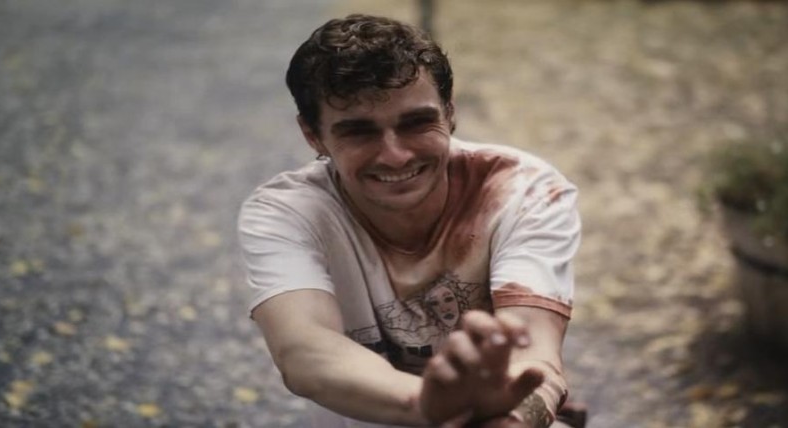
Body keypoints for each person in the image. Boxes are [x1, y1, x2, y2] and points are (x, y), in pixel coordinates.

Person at [237, 14, 582, 428]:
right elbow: (305, 352)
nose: (395, 156)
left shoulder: (520, 192)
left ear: (450, 113)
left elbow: (534, 350)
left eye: (417, 123)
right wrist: (429, 406)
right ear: (313, 135)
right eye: (359, 132)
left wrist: (514, 418)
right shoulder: (286, 213)